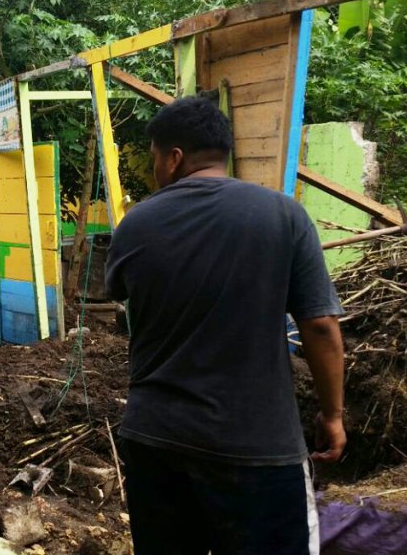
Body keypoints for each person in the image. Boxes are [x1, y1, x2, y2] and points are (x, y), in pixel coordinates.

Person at [104, 96, 346, 555]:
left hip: (157, 441)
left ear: (174, 158)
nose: (155, 169)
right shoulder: (284, 215)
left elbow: (121, 292)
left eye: (154, 157)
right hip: (258, 447)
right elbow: (319, 327)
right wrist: (332, 415)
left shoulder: (136, 225)